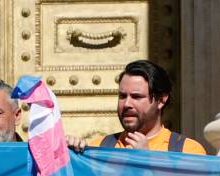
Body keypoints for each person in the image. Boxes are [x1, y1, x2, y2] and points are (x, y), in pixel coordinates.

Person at [79, 60, 207, 153]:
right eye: (122, 96)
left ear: (161, 100)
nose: (127, 104)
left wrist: (147, 161)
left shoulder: (188, 151)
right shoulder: (98, 148)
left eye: (136, 97)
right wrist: (70, 153)